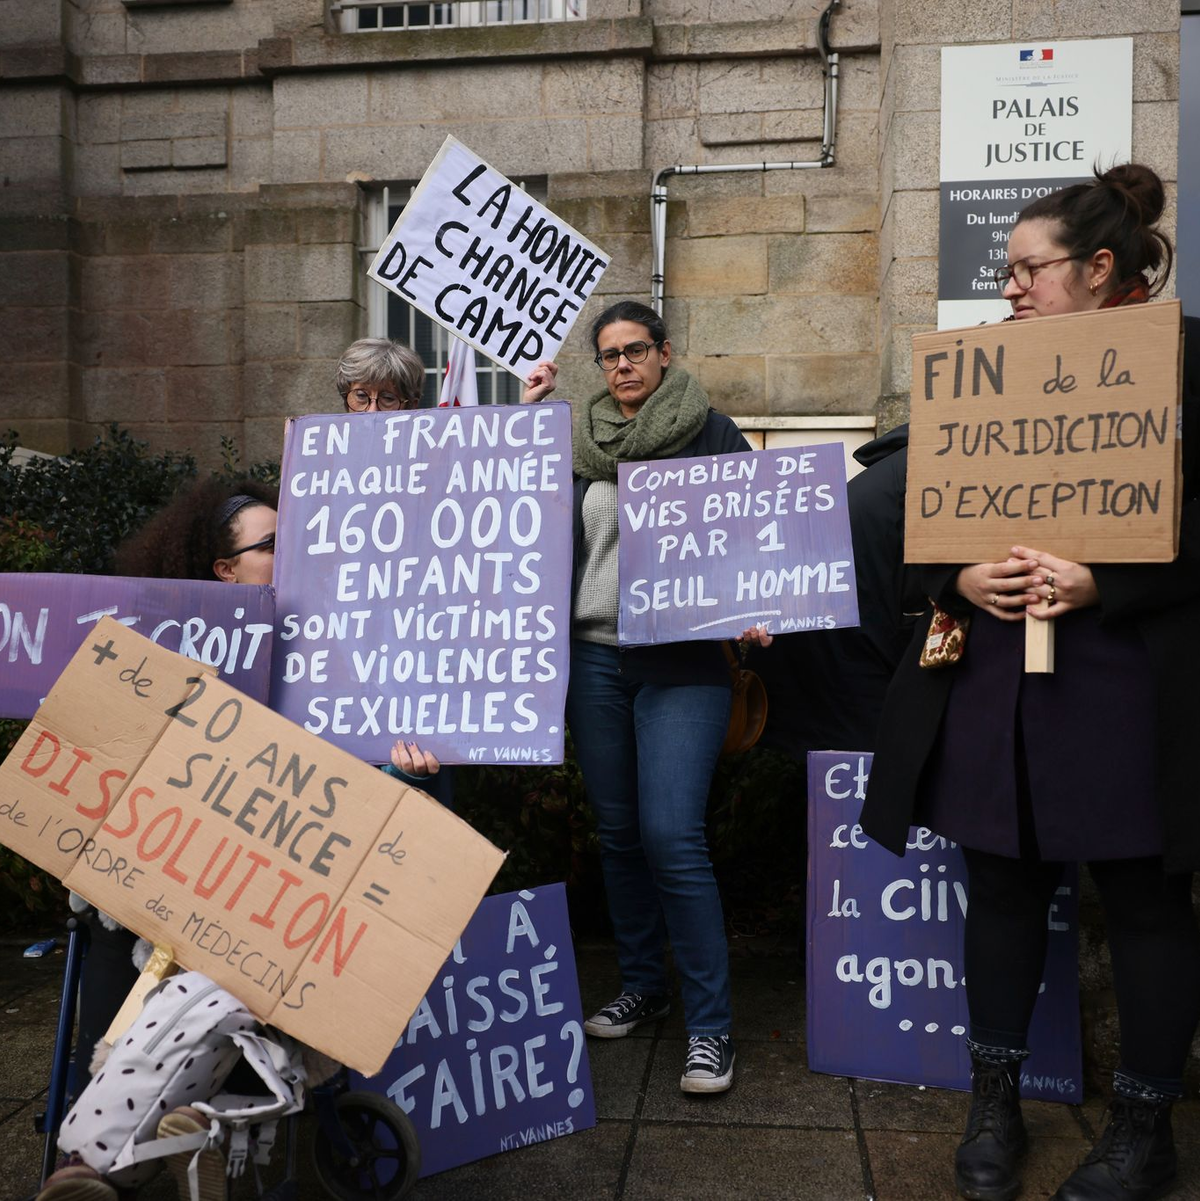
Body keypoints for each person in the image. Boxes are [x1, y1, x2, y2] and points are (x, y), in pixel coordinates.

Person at [860, 163, 1200, 1201]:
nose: (1007, 286)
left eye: (1027, 268)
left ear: (1100, 270)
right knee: (1000, 889)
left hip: (1128, 678)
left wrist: (1109, 574)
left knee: (1145, 901)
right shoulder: (987, 369)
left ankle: (1145, 1130)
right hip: (1000, 679)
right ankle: (994, 1102)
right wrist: (955, 571)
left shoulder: (1187, 362)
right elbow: (916, 519)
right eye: (1005, 270)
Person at [524, 299, 766, 1095]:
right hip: (593, 658)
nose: (622, 365)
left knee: (671, 834)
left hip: (683, 660)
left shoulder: (711, 432)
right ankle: (643, 984)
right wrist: (525, 426)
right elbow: (521, 520)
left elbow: (755, 534)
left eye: (635, 350)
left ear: (665, 353)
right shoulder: (576, 441)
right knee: (621, 834)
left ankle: (711, 1029)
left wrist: (763, 603)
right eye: (609, 355)